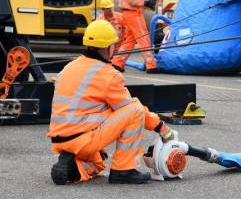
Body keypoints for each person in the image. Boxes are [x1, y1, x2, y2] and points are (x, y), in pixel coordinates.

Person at [48, 20, 175, 185]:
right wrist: (160, 126)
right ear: (109, 48)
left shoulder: (69, 67)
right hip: (83, 138)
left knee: (98, 163)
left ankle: (72, 168)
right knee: (135, 109)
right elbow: (131, 109)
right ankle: (123, 171)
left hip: (60, 139)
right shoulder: (107, 74)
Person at [111, 0, 158, 73]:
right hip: (133, 14)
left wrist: (144, 3)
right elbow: (132, 0)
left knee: (131, 41)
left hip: (131, 13)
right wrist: (145, 2)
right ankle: (151, 65)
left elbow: (133, 0)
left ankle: (117, 63)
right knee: (143, 38)